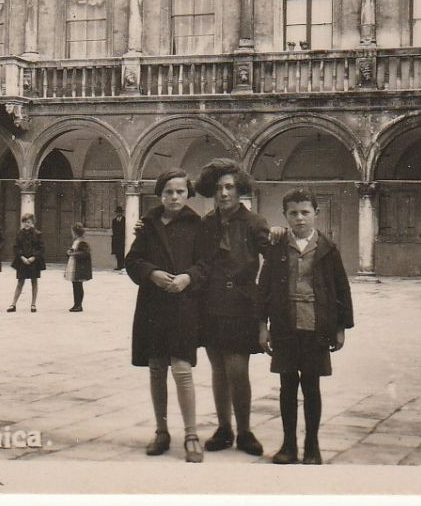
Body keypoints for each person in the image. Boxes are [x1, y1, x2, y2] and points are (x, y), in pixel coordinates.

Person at [126, 169, 216, 463]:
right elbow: (133, 261)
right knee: (156, 368)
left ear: (188, 193)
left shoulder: (197, 225)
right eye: (168, 192)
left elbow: (206, 264)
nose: (174, 197)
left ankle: (191, 434)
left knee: (181, 367)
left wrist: (187, 278)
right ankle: (161, 430)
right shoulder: (148, 224)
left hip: (182, 306)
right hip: (153, 306)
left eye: (179, 191)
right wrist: (151, 273)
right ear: (160, 195)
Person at [258, 190, 354, 465]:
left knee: (311, 387)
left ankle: (312, 446)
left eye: (305, 212)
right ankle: (288, 445)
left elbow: (341, 288)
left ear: (316, 213)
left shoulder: (327, 248)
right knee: (287, 386)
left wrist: (341, 327)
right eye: (293, 213)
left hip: (316, 326)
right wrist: (262, 326)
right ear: (285, 215)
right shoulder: (277, 247)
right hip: (285, 325)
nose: (299, 218)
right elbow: (264, 287)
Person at [196, 157, 272, 456]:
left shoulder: (255, 222)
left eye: (229, 187)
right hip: (211, 303)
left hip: (241, 304)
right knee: (218, 369)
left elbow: (273, 257)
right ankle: (224, 428)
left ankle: (244, 431)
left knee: (238, 370)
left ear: (239, 189)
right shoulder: (207, 223)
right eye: (218, 188)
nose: (223, 193)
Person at [6, 213, 45, 313]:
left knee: (34, 281)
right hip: (22, 261)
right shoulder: (19, 234)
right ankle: (13, 304)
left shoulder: (37, 234)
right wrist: (22, 257)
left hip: (34, 261)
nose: (26, 224)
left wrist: (33, 257)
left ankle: (33, 304)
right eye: (24, 222)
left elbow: (41, 248)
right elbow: (16, 247)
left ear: (32, 223)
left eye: (28, 222)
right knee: (20, 282)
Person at [64, 222, 93, 312]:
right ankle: (76, 304)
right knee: (75, 286)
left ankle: (79, 305)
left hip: (79, 268)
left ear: (76, 233)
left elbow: (85, 253)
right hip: (74, 266)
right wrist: (69, 252)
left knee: (78, 286)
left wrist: (73, 253)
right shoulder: (76, 242)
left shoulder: (82, 242)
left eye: (73, 232)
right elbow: (73, 250)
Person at [110, 206, 127, 272]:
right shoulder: (114, 220)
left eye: (120, 212)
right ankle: (119, 265)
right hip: (116, 239)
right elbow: (114, 229)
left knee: (122, 252)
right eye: (117, 212)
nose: (118, 214)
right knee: (117, 253)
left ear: (122, 213)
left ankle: (123, 265)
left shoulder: (125, 220)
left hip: (122, 239)